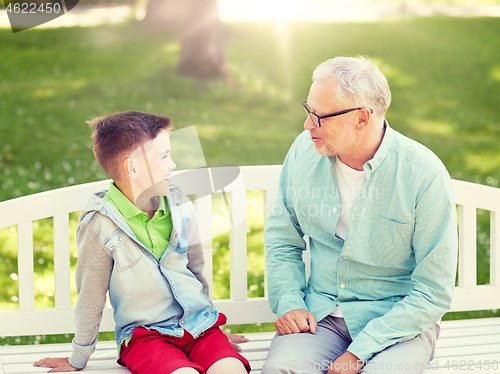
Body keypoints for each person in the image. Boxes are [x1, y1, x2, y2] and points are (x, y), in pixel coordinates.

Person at [262, 56, 457, 374]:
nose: (307, 125)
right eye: (308, 110)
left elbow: (433, 290)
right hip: (320, 317)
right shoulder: (302, 151)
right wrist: (289, 300)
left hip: (397, 325)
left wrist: (358, 354)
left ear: (362, 119)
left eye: (319, 116)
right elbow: (283, 237)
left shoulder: (424, 175)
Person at [34, 111, 250, 374]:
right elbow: (90, 295)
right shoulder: (100, 223)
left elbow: (196, 273)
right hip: (146, 337)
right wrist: (78, 356)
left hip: (198, 328)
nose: (172, 165)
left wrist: (209, 325)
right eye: (164, 156)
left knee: (231, 370)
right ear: (132, 168)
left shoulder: (181, 206)